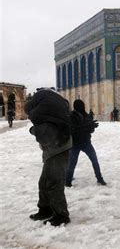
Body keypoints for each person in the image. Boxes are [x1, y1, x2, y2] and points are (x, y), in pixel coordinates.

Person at [24, 88, 72, 226]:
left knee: (54, 183)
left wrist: (33, 130)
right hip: (53, 149)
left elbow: (44, 135)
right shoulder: (48, 110)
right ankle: (45, 210)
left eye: (29, 114)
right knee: (44, 182)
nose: (30, 117)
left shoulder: (43, 113)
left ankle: (61, 215)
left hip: (59, 149)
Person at [66, 99, 106, 187]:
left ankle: (99, 178)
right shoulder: (72, 116)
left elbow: (90, 130)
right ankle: (68, 181)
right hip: (75, 144)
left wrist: (92, 127)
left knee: (94, 160)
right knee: (72, 163)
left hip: (86, 142)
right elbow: (73, 130)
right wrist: (87, 127)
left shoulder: (86, 115)